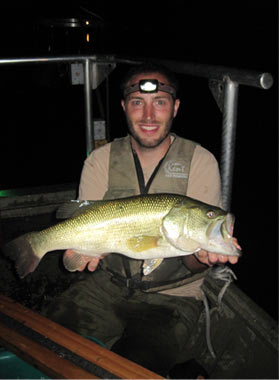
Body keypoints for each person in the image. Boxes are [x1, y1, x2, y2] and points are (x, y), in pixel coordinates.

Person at [45, 62, 240, 377]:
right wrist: (80, 250)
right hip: (103, 285)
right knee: (50, 348)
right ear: (124, 107)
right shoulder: (99, 160)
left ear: (175, 107)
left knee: (131, 369)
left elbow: (192, 264)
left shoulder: (200, 161)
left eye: (159, 103)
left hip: (171, 301)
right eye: (138, 103)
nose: (148, 116)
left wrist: (204, 256)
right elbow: (82, 223)